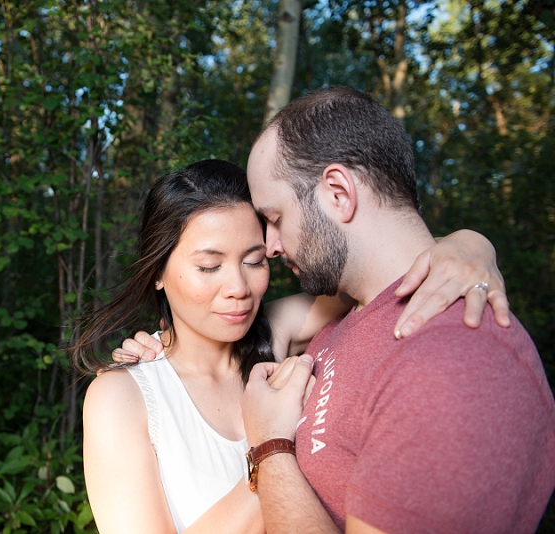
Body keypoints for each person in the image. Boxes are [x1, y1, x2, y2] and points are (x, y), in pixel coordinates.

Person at [74, 159, 510, 534]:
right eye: (209, 266)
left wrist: (471, 245)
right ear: (157, 272)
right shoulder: (121, 398)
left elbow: (385, 268)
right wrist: (273, 446)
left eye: (254, 261)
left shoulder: (276, 333)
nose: (239, 288)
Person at [237, 86, 555, 534]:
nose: (270, 245)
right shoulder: (346, 315)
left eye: (275, 218)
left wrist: (270, 447)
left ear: (338, 193)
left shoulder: (456, 364)